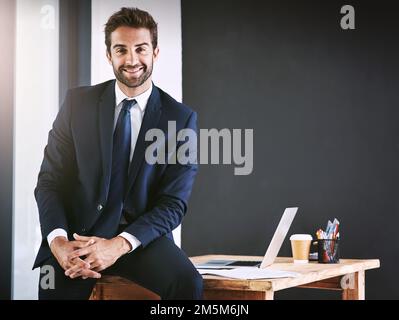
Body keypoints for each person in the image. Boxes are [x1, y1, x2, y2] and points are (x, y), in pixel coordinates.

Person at [33, 7, 202, 300]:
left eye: (141, 49)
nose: (132, 59)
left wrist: (119, 244)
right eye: (121, 49)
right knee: (51, 286)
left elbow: (174, 203)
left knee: (188, 283)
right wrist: (58, 242)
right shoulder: (77, 104)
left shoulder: (180, 119)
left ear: (156, 53)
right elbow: (49, 181)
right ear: (109, 55)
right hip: (77, 237)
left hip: (139, 239)